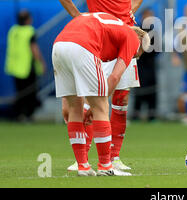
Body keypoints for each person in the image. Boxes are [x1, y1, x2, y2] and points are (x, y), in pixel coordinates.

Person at [52, 0, 146, 172]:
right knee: (89, 102)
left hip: (124, 36)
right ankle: (84, 157)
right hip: (96, 43)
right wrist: (79, 17)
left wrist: (130, 11)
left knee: (121, 100)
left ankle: (113, 158)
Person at [52, 12, 150, 176]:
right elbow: (115, 76)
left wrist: (66, 102)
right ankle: (105, 166)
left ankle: (83, 166)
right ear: (139, 43)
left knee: (75, 108)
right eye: (136, 55)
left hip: (58, 46)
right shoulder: (132, 38)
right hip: (83, 46)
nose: (133, 57)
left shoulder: (112, 28)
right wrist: (95, 107)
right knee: (102, 107)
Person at [5, 10, 46, 121]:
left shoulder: (13, 31)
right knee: (29, 92)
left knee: (19, 92)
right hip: (27, 67)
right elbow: (34, 49)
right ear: (28, 19)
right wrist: (41, 63)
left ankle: (19, 114)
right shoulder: (29, 31)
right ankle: (28, 115)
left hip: (14, 67)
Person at [132, 9, 158, 122]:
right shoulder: (137, 31)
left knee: (151, 89)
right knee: (139, 88)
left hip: (150, 65)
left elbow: (157, 50)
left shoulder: (154, 33)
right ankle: (136, 114)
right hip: (139, 64)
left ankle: (152, 115)